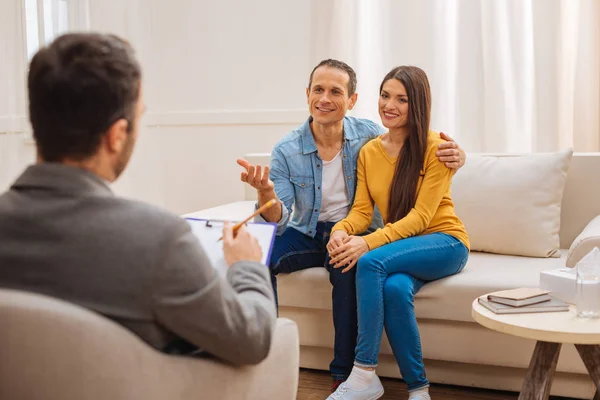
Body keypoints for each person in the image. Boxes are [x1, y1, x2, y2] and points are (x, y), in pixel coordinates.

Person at [0, 33, 276, 365]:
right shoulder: (158, 239)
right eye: (140, 116)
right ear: (116, 136)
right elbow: (253, 340)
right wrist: (246, 266)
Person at [237, 59, 466, 389]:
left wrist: (459, 155)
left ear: (352, 99)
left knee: (356, 265)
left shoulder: (380, 138)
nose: (325, 99)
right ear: (307, 94)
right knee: (259, 252)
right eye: (318, 90)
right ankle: (266, 356)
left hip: (390, 235)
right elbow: (284, 218)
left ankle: (349, 375)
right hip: (312, 232)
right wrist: (265, 193)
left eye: (335, 91)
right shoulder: (294, 150)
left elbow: (420, 201)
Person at [326, 66, 470, 400]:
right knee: (393, 289)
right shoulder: (370, 152)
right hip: (405, 247)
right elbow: (362, 211)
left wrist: (366, 243)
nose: (389, 105)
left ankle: (363, 372)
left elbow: (421, 218)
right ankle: (419, 390)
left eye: (401, 99)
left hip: (445, 242)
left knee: (370, 263)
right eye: (385, 95)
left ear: (417, 104)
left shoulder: (438, 148)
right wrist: (340, 231)